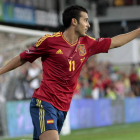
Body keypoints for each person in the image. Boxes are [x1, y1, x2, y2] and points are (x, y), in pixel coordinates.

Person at [0, 5, 140, 140]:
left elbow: (115, 42)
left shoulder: (87, 43)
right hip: (44, 103)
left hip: (63, 107)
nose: (88, 24)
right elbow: (22, 58)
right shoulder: (50, 41)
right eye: (85, 20)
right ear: (74, 21)